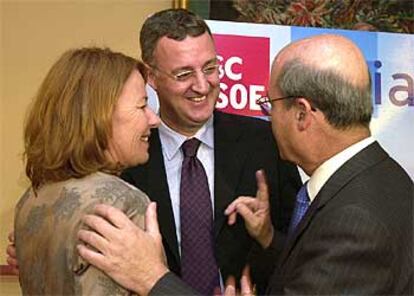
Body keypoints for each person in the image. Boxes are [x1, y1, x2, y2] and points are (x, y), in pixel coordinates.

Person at [76, 33, 413, 295]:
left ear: (302, 114)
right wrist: (267, 237)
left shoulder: (356, 219)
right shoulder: (379, 180)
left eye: (271, 105)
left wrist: (153, 278)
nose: (269, 118)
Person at [7, 8, 301, 294]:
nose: (202, 85)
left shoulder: (267, 140)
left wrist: (267, 236)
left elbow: (304, 259)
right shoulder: (122, 160)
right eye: (184, 73)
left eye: (210, 68)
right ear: (151, 76)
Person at [13, 47, 160, 295]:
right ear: (100, 115)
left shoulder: (30, 199)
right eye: (142, 105)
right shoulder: (122, 204)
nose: (154, 120)